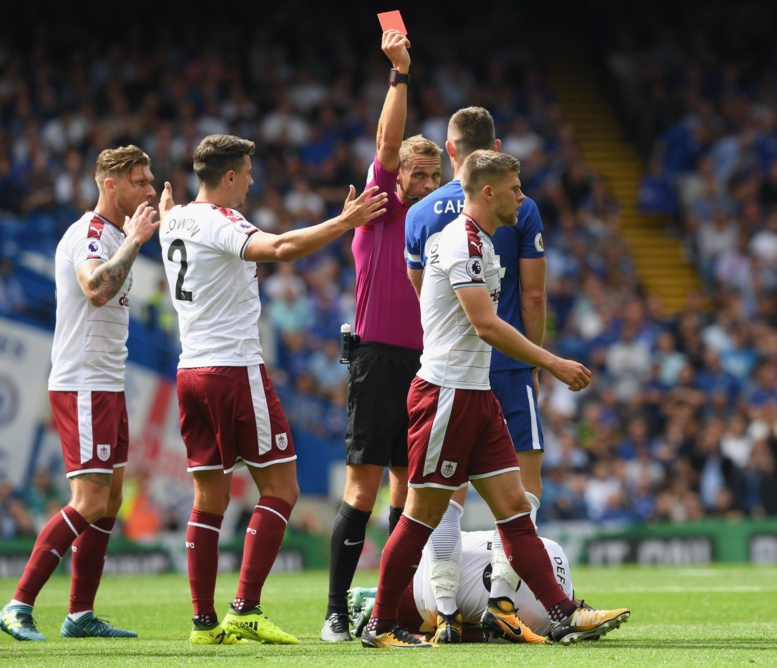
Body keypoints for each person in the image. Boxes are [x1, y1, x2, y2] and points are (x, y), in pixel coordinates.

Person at [360, 150, 629, 649]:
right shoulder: (461, 242)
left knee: (515, 510)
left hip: (477, 395)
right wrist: (551, 362)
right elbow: (485, 325)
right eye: (514, 189)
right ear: (488, 191)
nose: (522, 197)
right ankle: (380, 624)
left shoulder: (480, 241)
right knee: (420, 517)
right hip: (445, 395)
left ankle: (564, 613)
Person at [158, 133, 388, 646]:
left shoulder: (174, 219)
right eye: (247, 173)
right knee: (282, 489)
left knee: (209, 499)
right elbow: (281, 248)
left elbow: (178, 220)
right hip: (234, 369)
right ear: (229, 176)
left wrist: (169, 210)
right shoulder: (222, 221)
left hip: (189, 371)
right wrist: (344, 222)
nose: (251, 182)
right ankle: (246, 608)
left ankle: (203, 623)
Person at [0, 145, 160, 642]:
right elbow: (96, 289)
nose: (149, 188)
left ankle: (79, 614)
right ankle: (18, 604)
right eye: (139, 181)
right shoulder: (89, 234)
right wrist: (134, 241)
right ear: (110, 185)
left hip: (108, 382)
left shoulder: (115, 233)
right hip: (83, 382)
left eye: (150, 179)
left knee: (110, 500)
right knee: (89, 500)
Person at [404, 106, 548, 642]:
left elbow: (426, 298)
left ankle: (444, 610)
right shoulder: (521, 206)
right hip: (506, 364)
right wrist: (537, 359)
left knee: (444, 496)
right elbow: (533, 295)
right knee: (523, 490)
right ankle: (502, 601)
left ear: (450, 151)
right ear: (495, 150)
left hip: (449, 365)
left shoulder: (420, 213)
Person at [321, 29, 442, 642]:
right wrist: (400, 74)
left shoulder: (440, 227)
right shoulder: (382, 206)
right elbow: (387, 143)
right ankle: (335, 612)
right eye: (418, 174)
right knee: (363, 489)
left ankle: (389, 614)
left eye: (434, 175)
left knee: (408, 492)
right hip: (377, 360)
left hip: (426, 365)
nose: (426, 184)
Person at [349, 502, 577, 642]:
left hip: (413, 556)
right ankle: (377, 604)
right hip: (418, 611)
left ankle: (377, 598)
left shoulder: (554, 549)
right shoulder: (541, 625)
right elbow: (481, 635)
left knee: (449, 497)